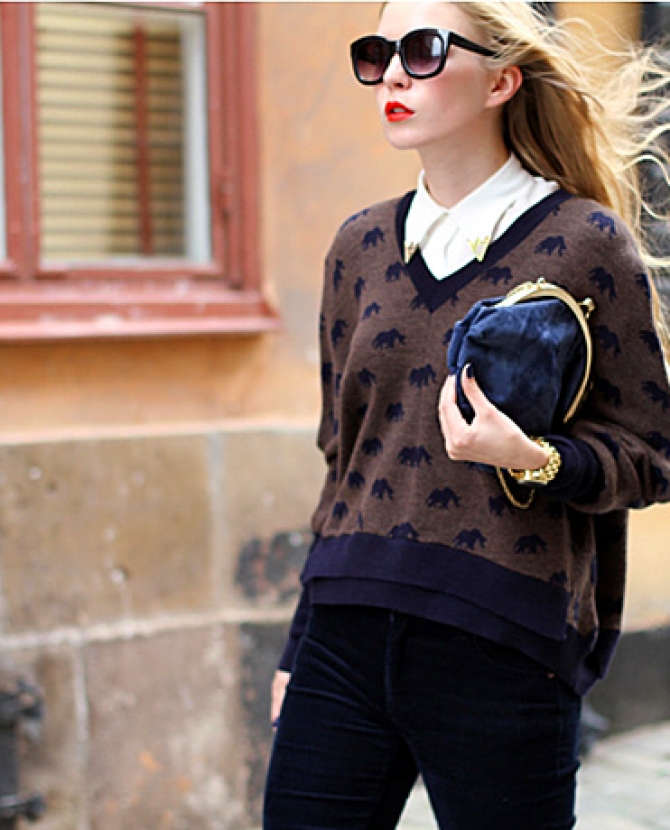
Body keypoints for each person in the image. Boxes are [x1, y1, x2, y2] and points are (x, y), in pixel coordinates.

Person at [263, 3, 670, 829]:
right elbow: (345, 468)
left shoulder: (585, 241)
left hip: (501, 639)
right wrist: (298, 646)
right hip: (343, 634)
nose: (393, 75)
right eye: (377, 54)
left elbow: (652, 455)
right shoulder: (358, 247)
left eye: (422, 50)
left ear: (501, 81)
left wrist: (533, 458)